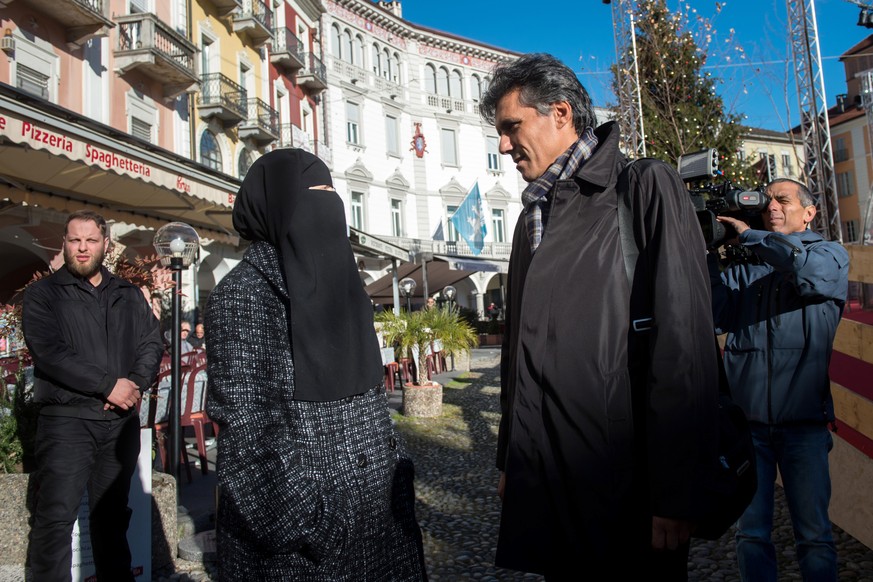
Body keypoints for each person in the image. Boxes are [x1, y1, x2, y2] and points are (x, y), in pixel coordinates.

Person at [478, 53, 719, 579]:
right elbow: (519, 350)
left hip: (627, 486)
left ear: (560, 113)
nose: (501, 146)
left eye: (511, 127)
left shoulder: (643, 187)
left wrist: (676, 489)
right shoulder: (529, 218)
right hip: (549, 480)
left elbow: (686, 343)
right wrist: (510, 460)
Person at [205, 149, 427, 580]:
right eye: (314, 195)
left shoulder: (345, 284)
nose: (328, 207)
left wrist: (397, 481)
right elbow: (250, 439)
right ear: (277, 206)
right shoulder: (245, 295)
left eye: (332, 194)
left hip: (381, 518)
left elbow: (372, 400)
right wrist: (320, 526)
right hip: (308, 549)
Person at [710, 178, 848, 582]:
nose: (771, 205)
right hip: (748, 428)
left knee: (814, 537)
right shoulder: (747, 265)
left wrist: (751, 235)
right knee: (751, 535)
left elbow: (804, 270)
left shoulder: (830, 256)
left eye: (782, 200)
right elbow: (718, 313)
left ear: (809, 212)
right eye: (767, 199)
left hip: (803, 426)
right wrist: (704, 255)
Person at [22, 209, 163, 581]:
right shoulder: (43, 294)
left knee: (113, 519)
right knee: (55, 520)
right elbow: (50, 353)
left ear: (106, 244)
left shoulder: (128, 294)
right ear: (64, 244)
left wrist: (133, 384)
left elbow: (152, 341)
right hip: (66, 424)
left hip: (118, 425)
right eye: (74, 240)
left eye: (90, 240)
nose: (82, 248)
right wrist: (107, 385)